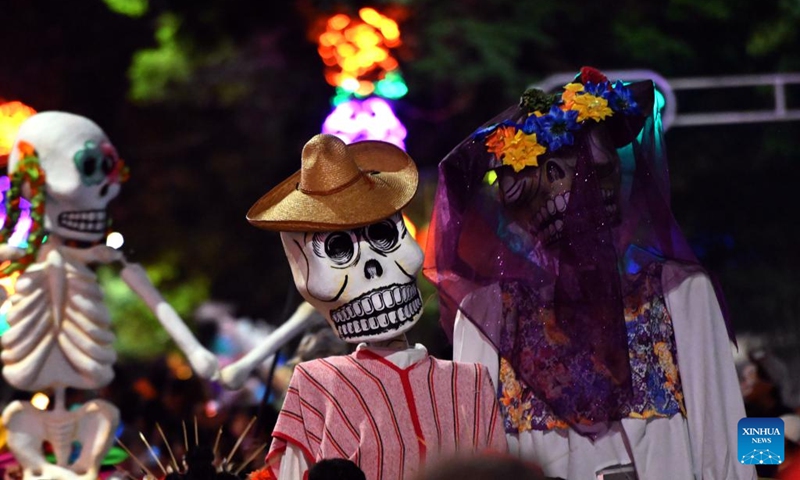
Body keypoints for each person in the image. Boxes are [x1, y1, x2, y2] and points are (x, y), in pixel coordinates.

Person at [424, 67, 756, 479]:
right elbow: (480, 451)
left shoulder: (678, 293)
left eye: (582, 170)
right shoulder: (489, 313)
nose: (567, 191)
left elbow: (724, 437)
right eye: (533, 178)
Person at [247, 134, 507, 479]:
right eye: (339, 248)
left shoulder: (470, 383)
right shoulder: (318, 385)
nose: (372, 267)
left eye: (384, 235)